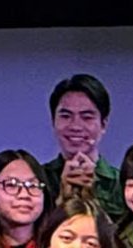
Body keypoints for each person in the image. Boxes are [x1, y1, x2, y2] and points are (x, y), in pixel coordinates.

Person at [41, 73, 124, 221]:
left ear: (103, 124)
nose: (76, 126)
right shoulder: (38, 180)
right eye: (66, 116)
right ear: (53, 121)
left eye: (87, 117)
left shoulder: (122, 184)